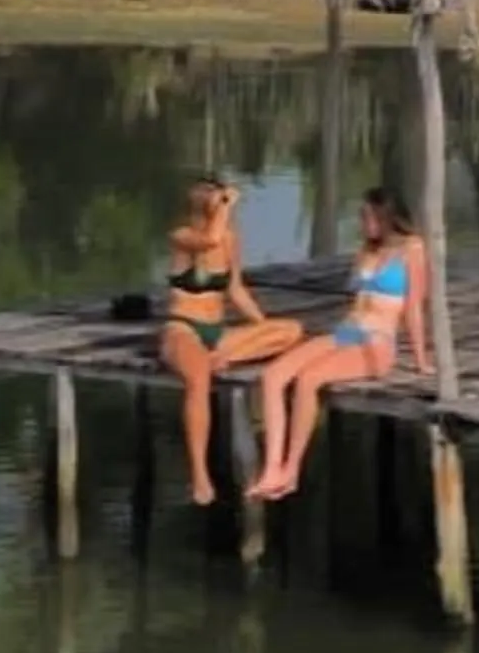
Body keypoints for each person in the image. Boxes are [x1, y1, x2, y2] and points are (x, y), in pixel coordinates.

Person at [248, 187, 427, 503]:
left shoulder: (412, 249)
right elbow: (359, 302)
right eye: (362, 216)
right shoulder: (366, 250)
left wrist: (421, 359)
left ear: (386, 217)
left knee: (309, 379)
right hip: (347, 332)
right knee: (273, 376)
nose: (363, 222)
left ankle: (291, 470)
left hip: (378, 341)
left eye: (368, 216)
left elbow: (412, 308)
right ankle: (272, 466)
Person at [160, 179, 304, 506]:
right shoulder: (182, 236)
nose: (225, 207)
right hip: (183, 328)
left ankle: (224, 356)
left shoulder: (229, 239)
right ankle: (199, 474)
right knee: (198, 380)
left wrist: (262, 327)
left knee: (291, 330)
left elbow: (235, 290)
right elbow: (208, 240)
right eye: (217, 201)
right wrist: (225, 204)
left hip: (217, 333)